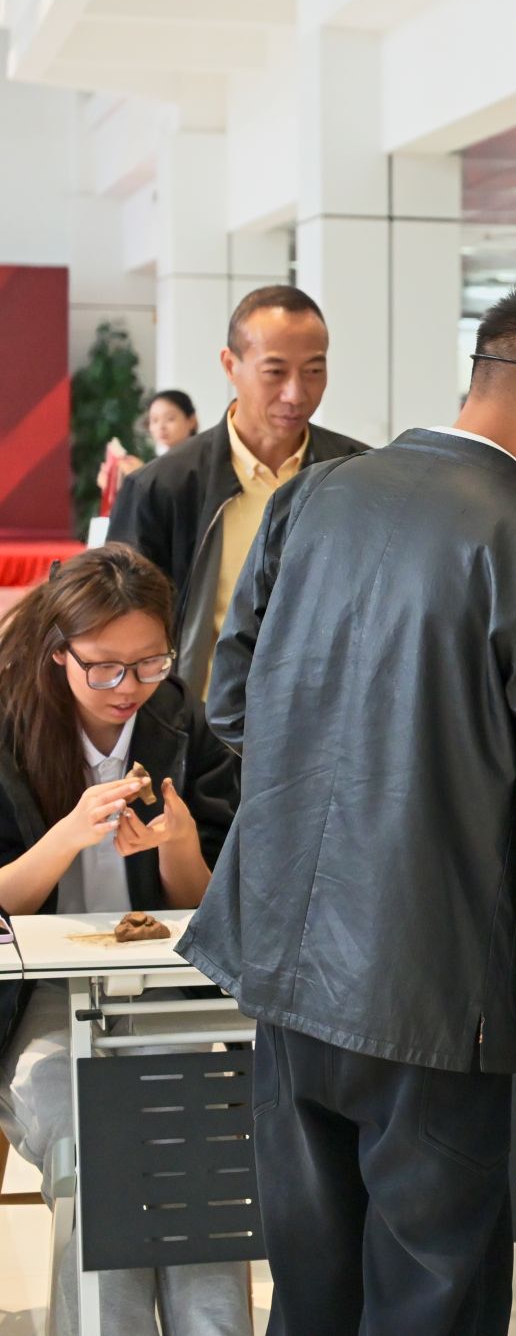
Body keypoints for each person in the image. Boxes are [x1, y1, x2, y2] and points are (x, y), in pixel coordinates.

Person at [177, 273, 516, 1333]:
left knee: (312, 1285)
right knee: (433, 1294)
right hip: (433, 985)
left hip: (285, 962)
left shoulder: (315, 497)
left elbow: (232, 700)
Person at [0, 545, 247, 1336]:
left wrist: (179, 843)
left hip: (159, 993)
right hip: (37, 997)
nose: (128, 687)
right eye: (104, 667)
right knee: (94, 1148)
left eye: (149, 663)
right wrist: (67, 836)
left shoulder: (178, 721)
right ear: (58, 651)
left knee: (196, 1144)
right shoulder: (9, 725)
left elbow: (207, 906)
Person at [107, 286, 368, 701]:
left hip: (323, 713)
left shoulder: (358, 474)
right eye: (275, 372)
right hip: (200, 717)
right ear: (231, 365)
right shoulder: (162, 486)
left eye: (314, 371)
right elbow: (122, 618)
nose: (296, 393)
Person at [146, 389, 202, 456]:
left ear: (191, 421)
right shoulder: (164, 460)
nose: (161, 427)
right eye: (155, 420)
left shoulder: (206, 457)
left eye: (170, 419)